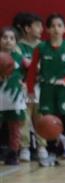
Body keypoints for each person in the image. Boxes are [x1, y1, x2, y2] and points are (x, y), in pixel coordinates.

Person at [26, 13, 65, 167]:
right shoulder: (41, 48)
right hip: (47, 89)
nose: (56, 29)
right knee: (48, 123)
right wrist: (30, 90)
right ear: (47, 30)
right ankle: (51, 154)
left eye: (59, 25)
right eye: (52, 26)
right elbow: (31, 72)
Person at [11, 12, 43, 162]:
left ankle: (42, 146)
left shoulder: (43, 47)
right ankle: (25, 148)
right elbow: (17, 67)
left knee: (40, 116)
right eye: (37, 26)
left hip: (41, 86)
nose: (41, 29)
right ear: (27, 28)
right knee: (24, 117)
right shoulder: (18, 47)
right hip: (24, 87)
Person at [0, 27, 27, 165]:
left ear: (16, 42)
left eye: (12, 38)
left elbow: (32, 70)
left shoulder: (20, 58)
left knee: (14, 127)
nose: (8, 41)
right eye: (5, 37)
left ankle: (13, 153)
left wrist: (25, 83)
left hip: (14, 97)